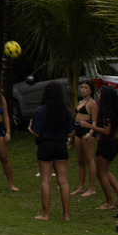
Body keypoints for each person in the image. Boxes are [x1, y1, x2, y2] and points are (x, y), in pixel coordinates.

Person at [28, 81, 76, 221]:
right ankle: (66, 215)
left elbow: (36, 132)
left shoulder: (40, 110)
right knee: (63, 180)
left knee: (46, 179)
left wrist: (31, 130)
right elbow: (70, 131)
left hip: (45, 145)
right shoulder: (65, 110)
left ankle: (45, 213)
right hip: (60, 145)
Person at [82, 87, 118, 210]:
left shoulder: (107, 112)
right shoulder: (109, 110)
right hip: (110, 143)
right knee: (105, 171)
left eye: (100, 94)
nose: (99, 96)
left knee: (101, 173)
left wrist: (89, 126)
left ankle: (109, 201)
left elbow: (106, 131)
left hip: (107, 144)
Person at [69, 80, 99, 197]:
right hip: (78, 129)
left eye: (86, 88)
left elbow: (95, 121)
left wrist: (90, 132)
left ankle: (92, 187)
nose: (83, 90)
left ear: (91, 90)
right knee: (80, 160)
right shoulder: (80, 101)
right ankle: (81, 187)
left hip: (87, 129)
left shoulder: (92, 104)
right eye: (82, 87)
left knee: (89, 159)